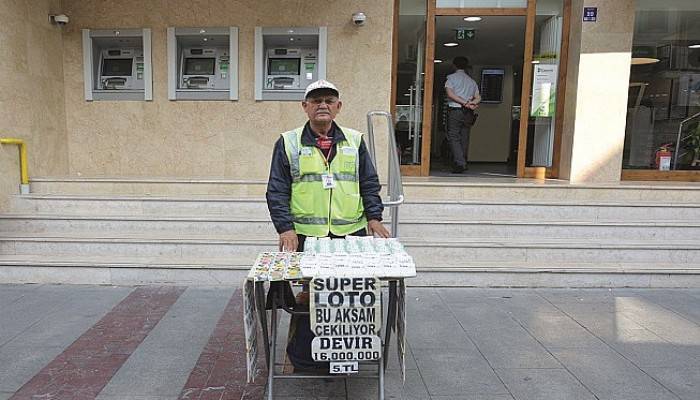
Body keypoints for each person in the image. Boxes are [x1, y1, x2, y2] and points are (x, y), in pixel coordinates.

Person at [265, 79, 390, 370]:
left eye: (329, 100)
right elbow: (277, 188)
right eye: (316, 100)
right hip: (306, 235)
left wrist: (374, 217)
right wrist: (285, 228)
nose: (323, 105)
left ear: (338, 107)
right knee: (310, 294)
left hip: (350, 234)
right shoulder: (288, 141)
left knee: (348, 293)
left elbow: (368, 183)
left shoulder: (355, 140)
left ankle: (346, 354)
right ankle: (305, 356)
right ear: (305, 107)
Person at [445, 56, 481, 173]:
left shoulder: (451, 78)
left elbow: (450, 94)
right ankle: (462, 160)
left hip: (456, 110)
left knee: (454, 137)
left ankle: (460, 163)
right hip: (468, 112)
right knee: (464, 137)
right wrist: (472, 104)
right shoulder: (471, 81)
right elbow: (478, 97)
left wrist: (465, 103)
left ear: (454, 65)